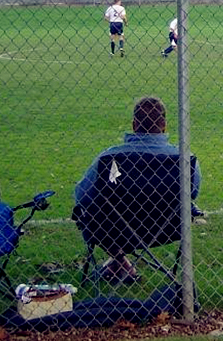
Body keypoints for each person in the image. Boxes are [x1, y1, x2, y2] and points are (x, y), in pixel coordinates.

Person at [74, 96, 202, 283]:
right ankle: (123, 265)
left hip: (113, 229)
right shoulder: (184, 159)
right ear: (164, 125)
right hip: (167, 228)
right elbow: (193, 192)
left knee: (87, 213)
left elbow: (82, 195)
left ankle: (120, 261)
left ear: (134, 125)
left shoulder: (110, 158)